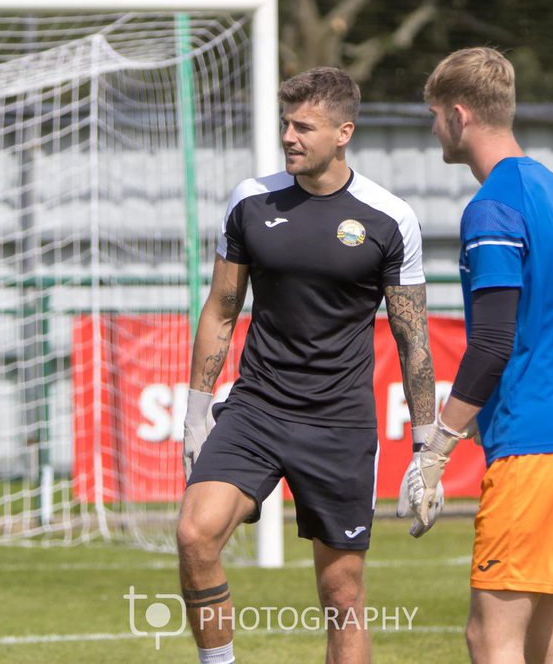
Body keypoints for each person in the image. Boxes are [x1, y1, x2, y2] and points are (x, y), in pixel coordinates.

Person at [177, 67, 436, 664]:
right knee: (195, 534)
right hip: (255, 409)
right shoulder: (251, 200)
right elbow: (221, 307)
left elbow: (412, 336)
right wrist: (196, 410)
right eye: (285, 124)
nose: (289, 137)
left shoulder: (389, 218)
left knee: (341, 591)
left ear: (343, 132)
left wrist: (427, 448)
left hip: (339, 423)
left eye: (304, 126)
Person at [406, 47, 553, 664]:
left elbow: (493, 343)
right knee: (549, 641)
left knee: (490, 638)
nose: (433, 127)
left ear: (460, 114)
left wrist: (437, 446)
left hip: (537, 451)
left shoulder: (492, 206)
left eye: (435, 114)